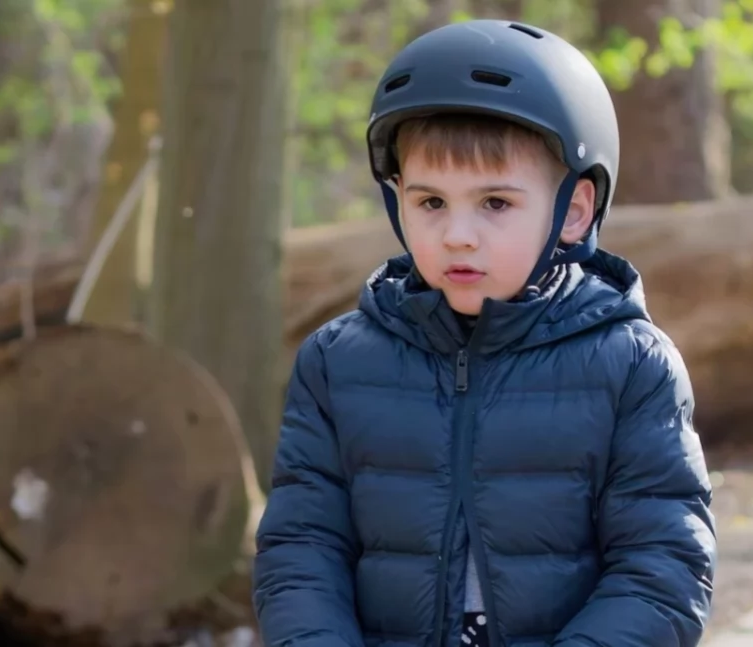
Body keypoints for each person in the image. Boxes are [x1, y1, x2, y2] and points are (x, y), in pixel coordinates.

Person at [251, 19, 717, 647]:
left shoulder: (631, 364)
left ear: (573, 211)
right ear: (398, 203)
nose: (457, 235)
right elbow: (302, 550)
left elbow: (663, 566)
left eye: (495, 203)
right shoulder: (338, 362)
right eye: (431, 203)